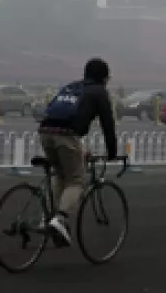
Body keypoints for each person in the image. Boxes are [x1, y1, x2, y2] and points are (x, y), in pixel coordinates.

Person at [37, 58, 117, 247]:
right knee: (77, 180)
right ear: (104, 78)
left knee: (61, 175)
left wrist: (81, 148)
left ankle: (45, 218)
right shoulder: (99, 92)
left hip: (45, 132)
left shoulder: (73, 87)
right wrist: (112, 152)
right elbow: (108, 125)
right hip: (66, 136)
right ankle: (59, 219)